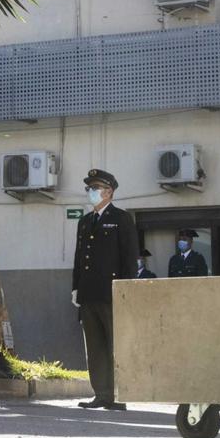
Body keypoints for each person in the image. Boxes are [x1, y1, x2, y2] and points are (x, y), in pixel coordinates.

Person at [71, 167, 137, 412]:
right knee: (95, 345)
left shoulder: (121, 219)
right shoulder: (85, 220)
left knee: (114, 345)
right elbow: (79, 257)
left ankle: (118, 395)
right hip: (89, 293)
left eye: (96, 188)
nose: (91, 192)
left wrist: (126, 289)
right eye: (89, 188)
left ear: (109, 192)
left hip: (112, 292)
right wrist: (75, 287)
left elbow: (130, 257)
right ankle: (101, 393)